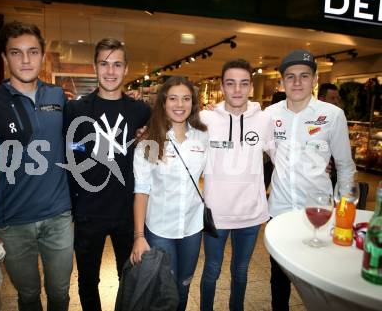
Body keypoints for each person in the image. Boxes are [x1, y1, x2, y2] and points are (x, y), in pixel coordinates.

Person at [0, 21, 73, 311]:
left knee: (61, 294)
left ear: (42, 55)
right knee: (28, 296)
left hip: (58, 217)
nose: (25, 60)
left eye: (33, 52)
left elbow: (82, 139)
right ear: (4, 58)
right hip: (13, 221)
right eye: (16, 53)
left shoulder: (59, 97)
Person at [63, 38, 151, 311]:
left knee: (129, 280)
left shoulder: (141, 112)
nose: (110, 71)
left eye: (117, 64)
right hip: (88, 212)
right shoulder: (76, 110)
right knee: (88, 282)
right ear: (95, 67)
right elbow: (70, 156)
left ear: (126, 69)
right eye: (104, 64)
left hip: (127, 212)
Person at [266, 50, 356, 311]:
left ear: (315, 79)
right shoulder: (269, 115)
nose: (296, 82)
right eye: (290, 77)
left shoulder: (332, 115)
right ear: (282, 82)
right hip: (280, 211)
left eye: (304, 76)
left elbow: (345, 165)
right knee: (279, 279)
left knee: (319, 279)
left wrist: (344, 211)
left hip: (318, 212)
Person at [199, 59, 275, 311]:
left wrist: (320, 166)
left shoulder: (264, 120)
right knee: (211, 270)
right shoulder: (205, 118)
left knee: (241, 271)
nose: (237, 90)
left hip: (251, 213)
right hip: (215, 214)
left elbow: (283, 157)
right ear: (222, 86)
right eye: (230, 83)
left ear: (251, 87)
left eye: (243, 84)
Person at [130, 76, 208, 311]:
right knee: (165, 289)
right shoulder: (150, 142)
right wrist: (138, 236)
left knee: (183, 286)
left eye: (185, 99)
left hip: (193, 227)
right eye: (173, 98)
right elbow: (142, 191)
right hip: (160, 229)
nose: (179, 104)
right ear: (163, 103)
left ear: (193, 103)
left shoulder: (202, 137)